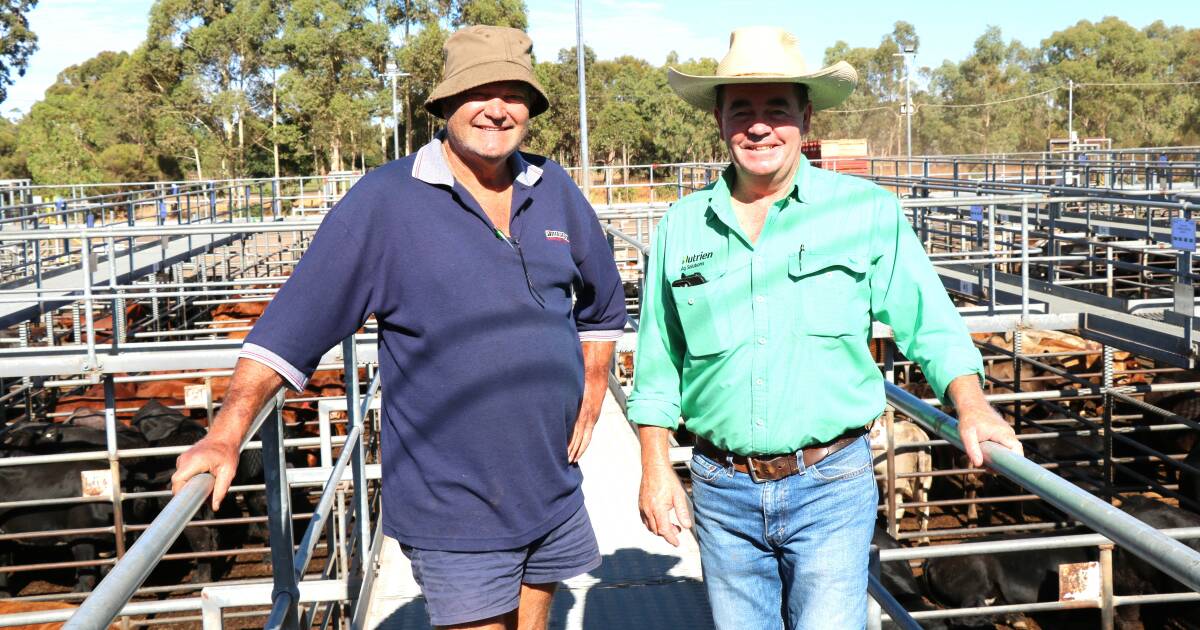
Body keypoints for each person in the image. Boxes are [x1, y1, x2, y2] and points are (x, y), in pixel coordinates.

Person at [171, 25, 626, 630]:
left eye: (513, 93)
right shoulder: (384, 201)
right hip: (454, 501)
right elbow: (290, 328)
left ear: (531, 108)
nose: (497, 108)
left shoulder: (554, 188)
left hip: (551, 481)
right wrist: (225, 432)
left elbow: (603, 302)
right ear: (443, 104)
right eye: (477, 91)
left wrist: (594, 384)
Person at [627, 26, 1022, 629]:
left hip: (830, 483)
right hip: (719, 488)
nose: (759, 127)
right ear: (719, 119)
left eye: (777, 109)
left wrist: (971, 405)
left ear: (805, 120)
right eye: (742, 110)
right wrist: (656, 469)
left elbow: (930, 322)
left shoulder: (865, 211)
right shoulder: (682, 226)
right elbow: (658, 362)